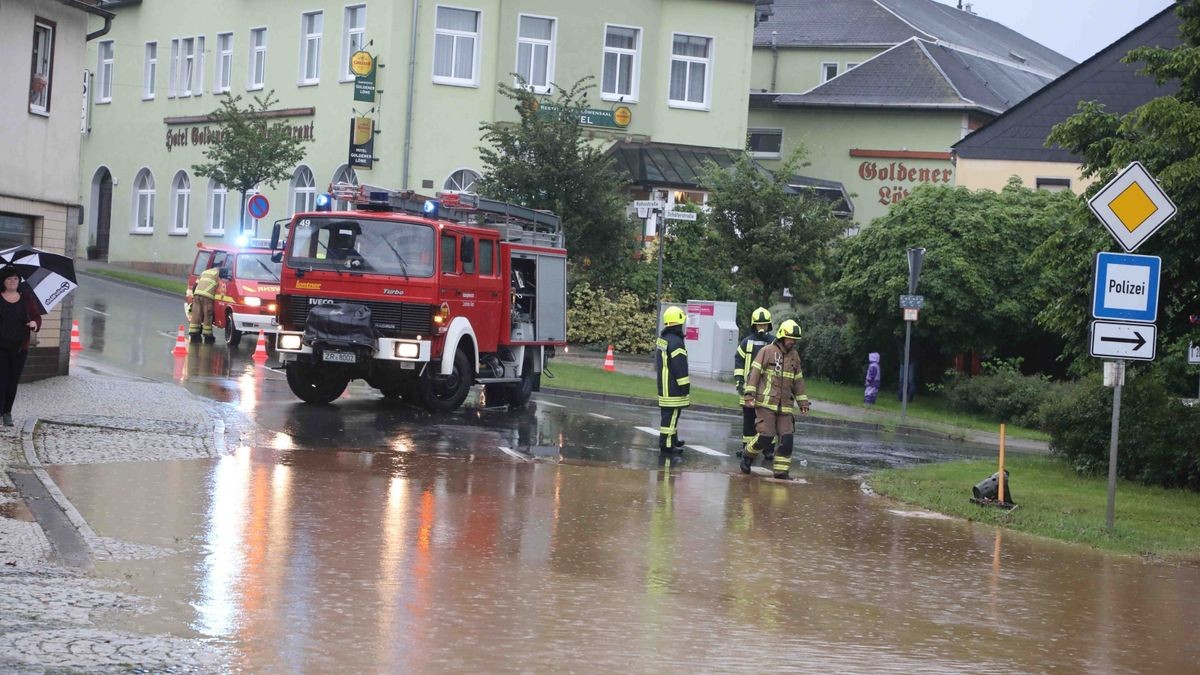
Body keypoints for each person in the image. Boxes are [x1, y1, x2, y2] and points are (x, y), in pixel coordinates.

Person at [741, 319, 809, 479]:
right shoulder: (767, 351)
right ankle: (747, 455)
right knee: (766, 436)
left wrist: (803, 403)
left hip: (785, 407)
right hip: (766, 404)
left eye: (795, 340)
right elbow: (754, 374)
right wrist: (749, 395)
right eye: (790, 338)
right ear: (781, 336)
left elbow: (798, 381)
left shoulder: (795, 357)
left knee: (787, 440)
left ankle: (780, 472)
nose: (792, 342)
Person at [0, 267, 42, 427]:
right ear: (3, 281)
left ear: (19, 281)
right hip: (1, 346)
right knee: (2, 380)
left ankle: (7, 412)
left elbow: (37, 317)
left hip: (19, 347)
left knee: (12, 381)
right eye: (9, 279)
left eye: (16, 279)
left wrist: (34, 324)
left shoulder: (26, 298)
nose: (12, 281)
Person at [734, 307, 775, 464]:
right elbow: (738, 361)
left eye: (764, 325)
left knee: (768, 421)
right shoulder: (746, 343)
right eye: (759, 325)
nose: (762, 328)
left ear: (769, 325)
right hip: (749, 390)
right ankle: (747, 449)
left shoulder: (773, 342)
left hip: (768, 391)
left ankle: (768, 450)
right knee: (749, 422)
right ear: (754, 325)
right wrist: (739, 382)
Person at [655, 305, 690, 453]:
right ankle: (667, 444)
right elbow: (679, 367)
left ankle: (673, 439)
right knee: (672, 415)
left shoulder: (663, 339)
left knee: (669, 415)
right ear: (679, 322)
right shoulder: (676, 342)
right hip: (673, 387)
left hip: (664, 385)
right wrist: (685, 385)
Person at [189, 259, 220, 343]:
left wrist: (194, 296)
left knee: (196, 313)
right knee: (208, 315)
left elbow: (195, 285)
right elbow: (220, 288)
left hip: (197, 294)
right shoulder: (218, 274)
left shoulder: (205, 272)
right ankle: (208, 336)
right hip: (207, 296)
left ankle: (193, 334)